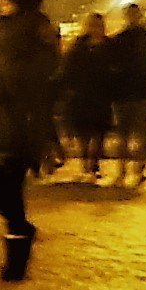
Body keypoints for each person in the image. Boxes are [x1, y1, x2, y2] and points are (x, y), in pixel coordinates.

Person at [0, 0, 59, 282]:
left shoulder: (35, 32)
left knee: (8, 182)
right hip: (1, 114)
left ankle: (17, 250)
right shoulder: (7, 32)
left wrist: (0, 88)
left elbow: (39, 75)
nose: (1, 6)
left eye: (6, 1)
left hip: (23, 117)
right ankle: (19, 230)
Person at [108, 2, 146, 188]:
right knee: (140, 134)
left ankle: (123, 171)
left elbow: (112, 68)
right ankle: (137, 170)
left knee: (124, 134)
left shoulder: (118, 40)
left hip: (125, 92)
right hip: (141, 92)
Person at [57, 12, 114, 181]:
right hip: (81, 96)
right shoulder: (79, 46)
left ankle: (94, 164)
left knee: (98, 132)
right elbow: (67, 69)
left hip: (101, 96)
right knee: (83, 133)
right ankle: (85, 163)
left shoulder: (108, 46)